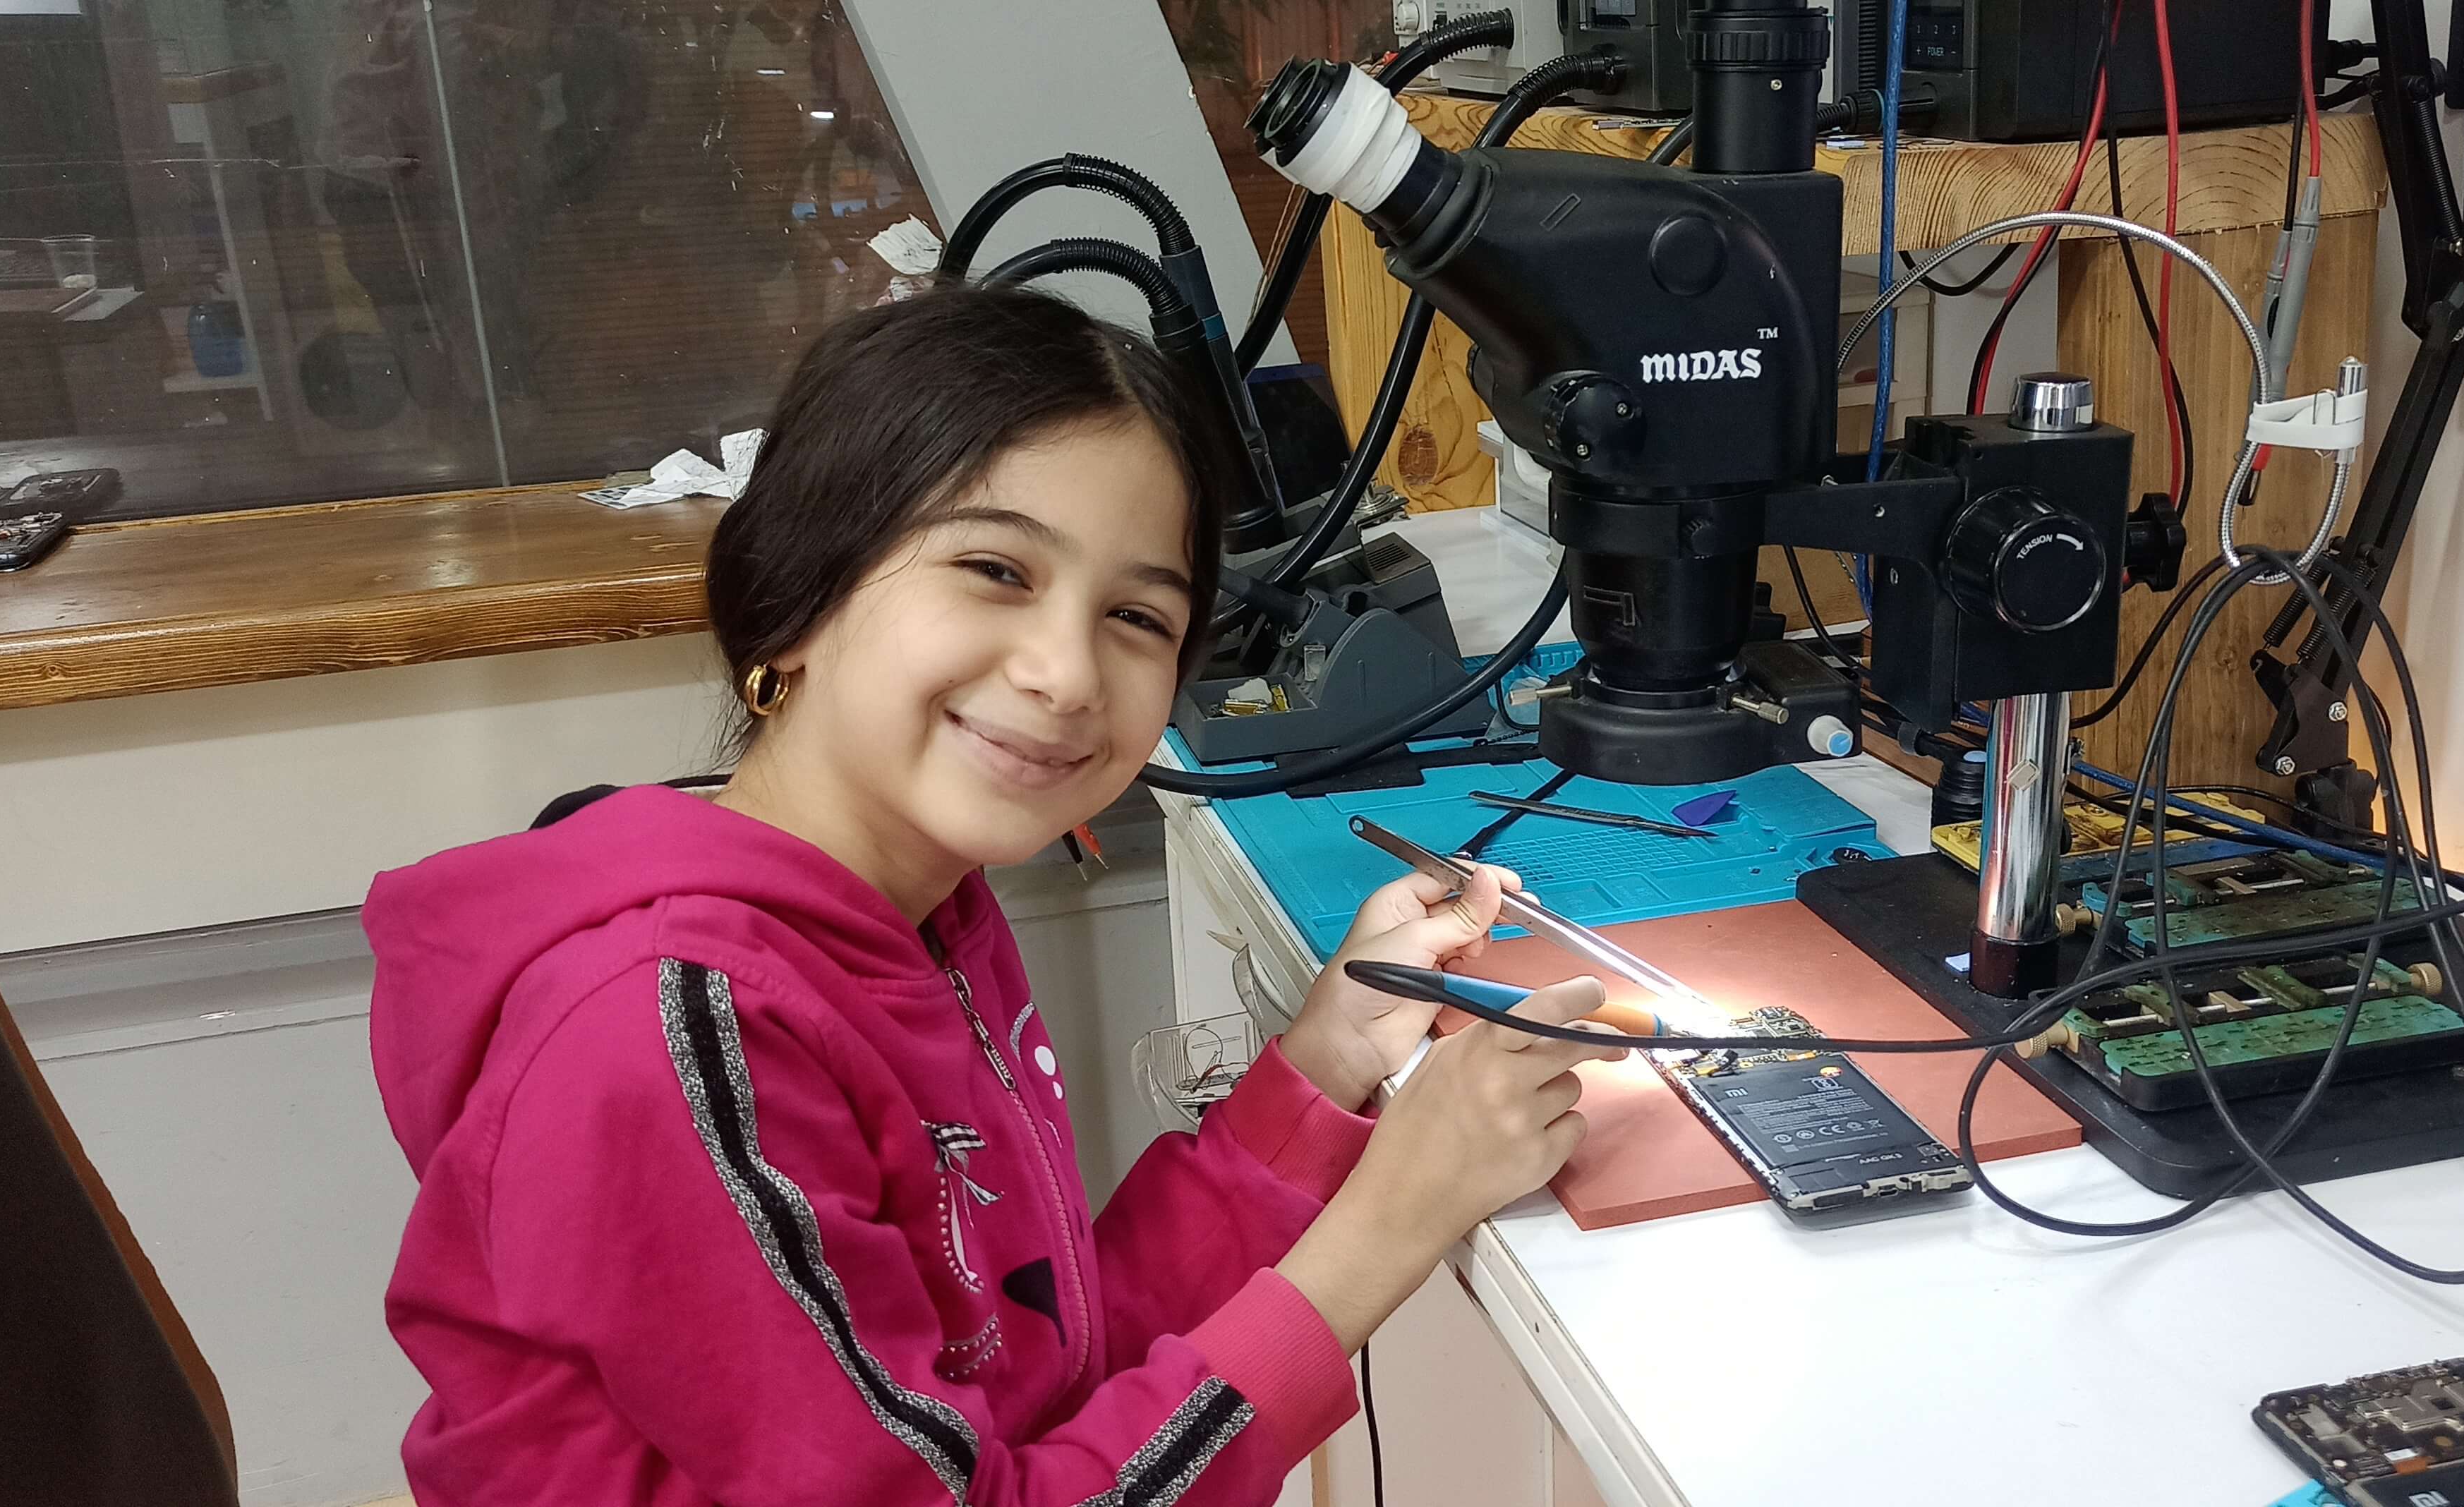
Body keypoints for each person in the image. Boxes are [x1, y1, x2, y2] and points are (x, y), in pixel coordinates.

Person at [362, 283, 1621, 1506]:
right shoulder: (677, 1036)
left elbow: (1042, 1355)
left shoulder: (920, 912)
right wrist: (1394, 1221)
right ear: (797, 594)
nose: (1067, 673)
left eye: (1136, 616)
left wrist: (1327, 1058)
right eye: (997, 571)